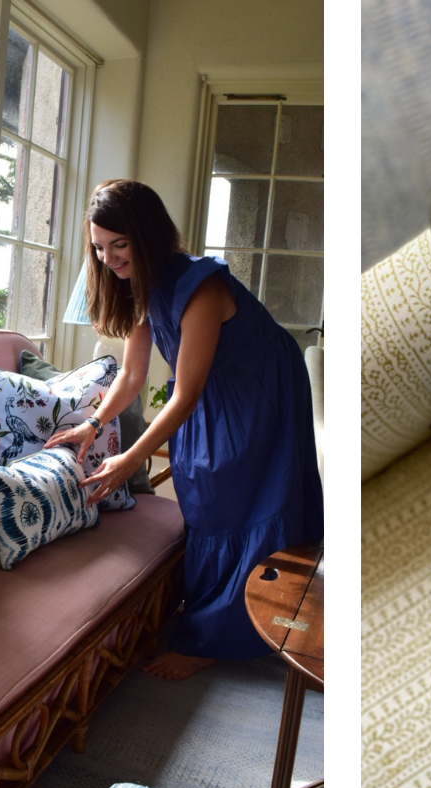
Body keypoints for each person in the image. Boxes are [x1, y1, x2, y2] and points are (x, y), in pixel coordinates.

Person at [45, 179, 323, 680]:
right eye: (99, 247)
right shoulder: (140, 288)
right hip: (212, 388)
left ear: (146, 235)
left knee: (243, 497)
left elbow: (186, 394)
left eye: (119, 245)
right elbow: (131, 375)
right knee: (201, 494)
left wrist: (130, 459)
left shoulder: (202, 285)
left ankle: (217, 638)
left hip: (259, 385)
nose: (108, 258)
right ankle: (217, 616)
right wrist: (93, 423)